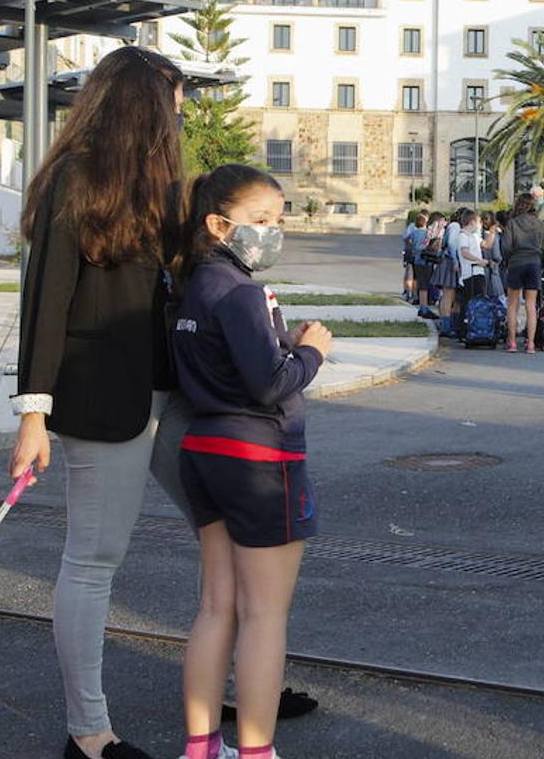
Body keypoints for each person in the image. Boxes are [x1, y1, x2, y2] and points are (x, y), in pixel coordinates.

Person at [8, 47, 197, 759]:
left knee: (229, 526)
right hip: (96, 399)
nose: (179, 116)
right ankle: (87, 735)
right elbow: (45, 300)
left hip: (167, 393)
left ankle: (236, 681)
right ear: (144, 105)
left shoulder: (156, 184)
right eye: (173, 102)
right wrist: (33, 412)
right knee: (93, 559)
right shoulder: (76, 178)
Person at [171, 164, 333, 759]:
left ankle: (201, 745)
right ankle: (257, 751)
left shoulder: (196, 286)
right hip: (260, 457)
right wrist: (311, 353)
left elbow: (223, 362)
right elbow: (269, 383)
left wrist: (282, 346)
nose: (271, 232)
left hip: (206, 450)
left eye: (277, 221)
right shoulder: (241, 291)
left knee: (217, 605)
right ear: (219, 224)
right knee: (265, 615)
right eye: (260, 221)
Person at [502, 194, 544, 354]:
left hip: (516, 263)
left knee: (512, 304)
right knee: (530, 305)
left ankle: (513, 342)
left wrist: (508, 262)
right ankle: (530, 344)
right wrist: (541, 263)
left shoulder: (512, 223)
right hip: (534, 263)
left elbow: (506, 247)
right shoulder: (539, 224)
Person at [432, 209, 466, 337]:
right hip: (450, 263)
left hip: (451, 262)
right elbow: (452, 243)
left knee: (455, 296)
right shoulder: (455, 226)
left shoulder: (453, 226)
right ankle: (447, 326)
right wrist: (455, 260)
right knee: (449, 295)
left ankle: (452, 324)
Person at [455, 210, 488, 330]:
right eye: (478, 222)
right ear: (472, 221)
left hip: (479, 272)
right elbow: (465, 252)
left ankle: (478, 326)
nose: (479, 225)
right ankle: (466, 328)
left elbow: (485, 244)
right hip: (470, 273)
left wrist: (492, 233)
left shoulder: (474, 236)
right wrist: (478, 261)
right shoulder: (463, 236)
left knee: (480, 300)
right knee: (470, 301)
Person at [415, 212, 445, 320]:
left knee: (425, 285)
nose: (444, 223)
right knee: (423, 285)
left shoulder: (429, 232)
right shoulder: (427, 233)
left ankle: (424, 307)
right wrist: (430, 244)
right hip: (423, 262)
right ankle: (423, 308)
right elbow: (420, 247)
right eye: (442, 221)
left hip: (425, 261)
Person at [402, 213, 427, 303]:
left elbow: (406, 239)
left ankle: (412, 294)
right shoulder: (426, 233)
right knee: (421, 279)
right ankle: (420, 296)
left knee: (413, 276)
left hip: (415, 257)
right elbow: (427, 243)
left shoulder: (413, 233)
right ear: (425, 223)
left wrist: (412, 245)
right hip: (424, 258)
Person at [480, 211, 504, 299]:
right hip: (492, 268)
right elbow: (496, 254)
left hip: (480, 267)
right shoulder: (495, 235)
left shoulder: (479, 235)